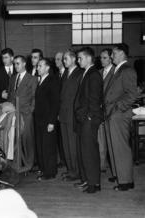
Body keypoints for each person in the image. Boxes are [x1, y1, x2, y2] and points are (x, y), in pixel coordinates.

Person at [104, 43, 137, 191]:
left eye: (114, 53)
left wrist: (117, 108)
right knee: (113, 148)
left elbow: (132, 95)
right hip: (111, 114)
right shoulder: (117, 70)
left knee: (121, 148)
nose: (112, 56)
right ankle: (119, 176)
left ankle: (126, 181)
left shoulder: (127, 70)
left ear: (123, 54)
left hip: (119, 115)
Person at [73, 47, 103, 193]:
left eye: (80, 58)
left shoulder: (94, 74)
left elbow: (95, 98)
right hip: (83, 119)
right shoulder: (86, 73)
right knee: (84, 151)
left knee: (90, 151)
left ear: (89, 58)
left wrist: (90, 116)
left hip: (89, 119)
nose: (78, 61)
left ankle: (94, 184)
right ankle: (87, 180)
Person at [8, 55, 38, 171]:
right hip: (14, 114)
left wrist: (31, 110)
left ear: (24, 64)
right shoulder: (12, 78)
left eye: (18, 63)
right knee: (15, 139)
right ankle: (17, 163)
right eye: (14, 63)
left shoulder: (32, 79)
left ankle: (29, 165)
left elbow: (35, 97)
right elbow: (11, 95)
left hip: (26, 114)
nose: (16, 66)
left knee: (27, 139)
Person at [34, 58, 60, 180]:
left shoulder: (52, 80)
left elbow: (55, 103)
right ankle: (44, 169)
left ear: (47, 67)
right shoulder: (41, 80)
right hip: (39, 120)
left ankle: (50, 172)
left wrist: (51, 121)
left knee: (48, 147)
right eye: (37, 66)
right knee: (41, 146)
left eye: (40, 66)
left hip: (47, 120)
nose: (37, 68)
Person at [59, 50, 83, 181]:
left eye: (66, 58)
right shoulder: (65, 73)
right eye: (63, 59)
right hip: (63, 114)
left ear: (74, 59)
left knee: (73, 145)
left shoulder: (79, 73)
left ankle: (76, 172)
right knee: (66, 144)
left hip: (73, 115)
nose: (64, 61)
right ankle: (70, 170)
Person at [97, 48, 115, 172]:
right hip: (99, 111)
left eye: (104, 58)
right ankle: (102, 165)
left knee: (112, 142)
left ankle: (115, 168)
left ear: (111, 58)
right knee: (100, 140)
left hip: (112, 112)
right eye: (101, 58)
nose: (102, 60)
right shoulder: (98, 72)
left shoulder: (116, 73)